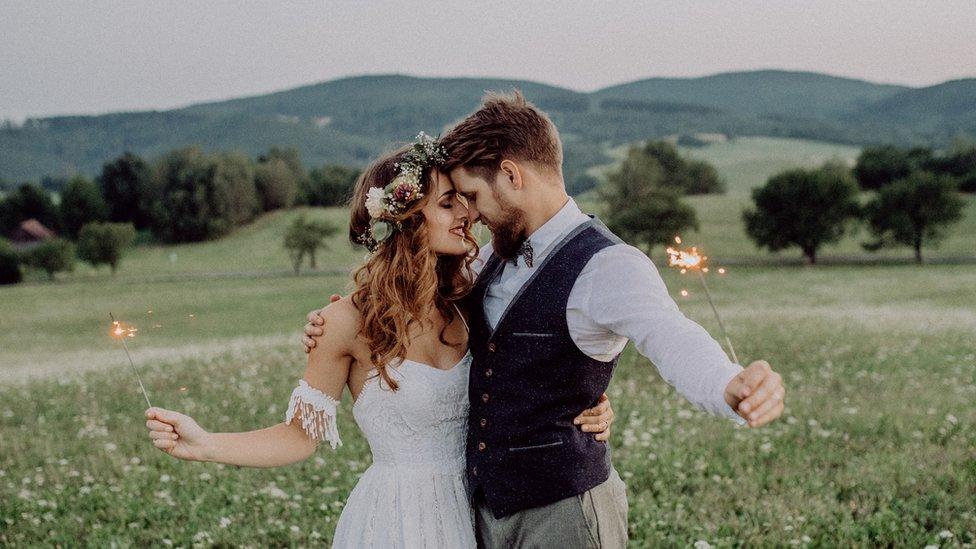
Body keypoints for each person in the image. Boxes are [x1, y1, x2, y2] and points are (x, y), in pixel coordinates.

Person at [303, 92, 786, 548]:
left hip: (566, 512)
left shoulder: (608, 266)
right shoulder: (486, 259)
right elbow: (417, 301)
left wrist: (729, 387)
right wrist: (338, 321)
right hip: (478, 515)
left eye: (472, 194)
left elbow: (673, 336)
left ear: (511, 176)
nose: (469, 214)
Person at [143, 134, 614, 548]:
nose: (467, 214)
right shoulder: (345, 322)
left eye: (463, 201)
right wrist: (205, 444)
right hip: (395, 519)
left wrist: (591, 402)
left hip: (474, 513)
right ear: (407, 218)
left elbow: (524, 370)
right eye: (448, 203)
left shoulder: (468, 301)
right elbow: (298, 438)